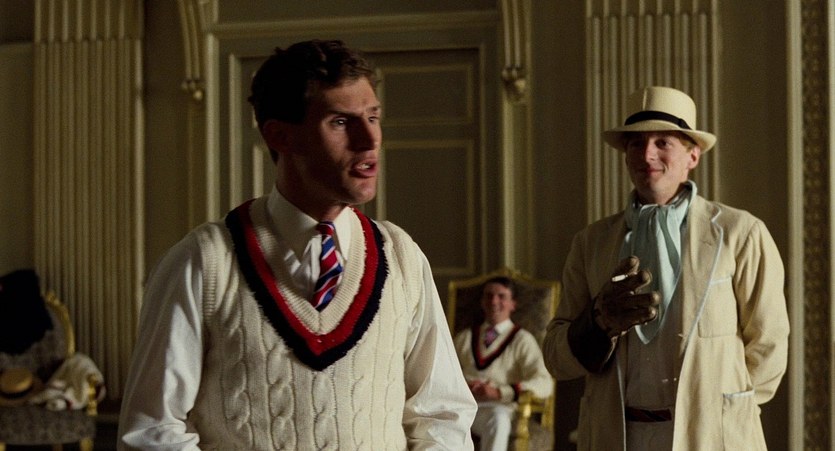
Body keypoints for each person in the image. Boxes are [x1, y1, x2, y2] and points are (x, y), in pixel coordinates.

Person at [118, 39, 477, 450]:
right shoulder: (204, 261)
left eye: (373, 117)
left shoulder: (401, 257)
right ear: (280, 136)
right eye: (340, 122)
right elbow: (150, 431)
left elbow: (442, 416)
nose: (369, 140)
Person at [542, 86, 789, 450]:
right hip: (618, 436)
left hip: (711, 437)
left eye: (663, 142)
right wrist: (596, 325)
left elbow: (768, 344)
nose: (647, 154)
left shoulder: (741, 234)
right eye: (635, 143)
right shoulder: (591, 243)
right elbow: (556, 358)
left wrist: (728, 412)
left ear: (693, 155)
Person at [453, 276, 553, 451]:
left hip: (500, 409)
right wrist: (463, 387)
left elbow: (544, 383)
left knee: (497, 419)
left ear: (513, 304)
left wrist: (500, 392)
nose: (494, 301)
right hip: (463, 406)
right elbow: (444, 374)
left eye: (501, 296)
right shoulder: (465, 337)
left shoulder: (522, 340)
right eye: (489, 296)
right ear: (482, 302)